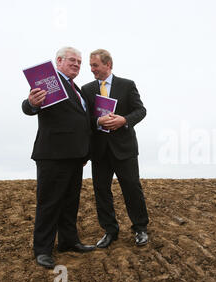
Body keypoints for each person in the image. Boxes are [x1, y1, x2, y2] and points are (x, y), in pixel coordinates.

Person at [22, 47, 95, 269]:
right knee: (50, 203)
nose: (77, 64)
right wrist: (32, 103)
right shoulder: (47, 82)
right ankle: (42, 250)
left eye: (80, 62)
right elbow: (29, 106)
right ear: (59, 61)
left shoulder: (78, 90)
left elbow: (81, 122)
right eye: (72, 60)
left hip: (75, 156)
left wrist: (85, 152)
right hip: (53, 155)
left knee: (70, 202)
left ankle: (68, 241)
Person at [81, 49, 149, 248]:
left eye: (95, 65)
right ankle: (110, 231)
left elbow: (141, 110)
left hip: (124, 148)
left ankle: (140, 228)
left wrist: (124, 120)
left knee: (131, 188)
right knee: (101, 190)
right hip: (100, 150)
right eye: (91, 65)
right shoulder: (86, 89)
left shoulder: (127, 85)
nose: (91, 69)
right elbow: (84, 120)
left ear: (108, 65)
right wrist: (97, 121)